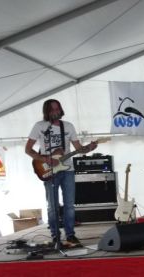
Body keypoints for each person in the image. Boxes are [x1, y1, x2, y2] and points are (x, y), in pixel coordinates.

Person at [25, 99, 97, 247]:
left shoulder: (68, 126)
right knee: (52, 206)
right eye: (52, 109)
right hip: (48, 170)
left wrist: (89, 148)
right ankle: (55, 236)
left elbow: (79, 148)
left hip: (68, 170)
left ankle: (70, 235)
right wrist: (45, 158)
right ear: (47, 111)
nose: (55, 112)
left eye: (57, 109)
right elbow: (28, 149)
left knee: (69, 205)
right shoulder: (40, 126)